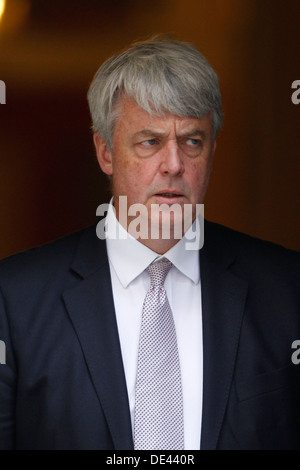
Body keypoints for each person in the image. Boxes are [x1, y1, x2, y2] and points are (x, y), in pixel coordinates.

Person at [0, 37, 299, 451]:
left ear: (212, 151)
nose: (174, 164)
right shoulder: (14, 300)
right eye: (150, 142)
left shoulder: (286, 290)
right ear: (105, 152)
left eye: (192, 141)